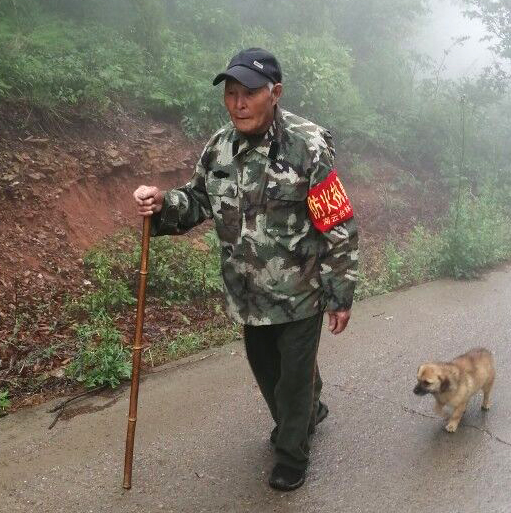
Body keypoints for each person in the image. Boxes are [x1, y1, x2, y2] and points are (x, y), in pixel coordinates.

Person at [133, 48, 358, 491]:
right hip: (248, 293)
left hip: (301, 291)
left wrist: (339, 293)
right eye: (231, 94)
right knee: (266, 369)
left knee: (292, 379)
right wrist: (162, 204)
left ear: (275, 93)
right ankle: (309, 408)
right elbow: (197, 200)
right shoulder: (219, 148)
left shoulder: (308, 147)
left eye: (249, 94)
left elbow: (339, 224)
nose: (238, 103)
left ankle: (291, 451)